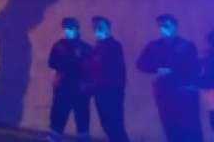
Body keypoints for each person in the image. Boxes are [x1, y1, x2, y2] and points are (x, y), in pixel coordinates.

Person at [137, 14, 203, 142]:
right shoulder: (154, 45)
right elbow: (140, 63)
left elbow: (194, 68)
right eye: (160, 26)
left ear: (175, 27)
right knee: (170, 127)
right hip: (164, 92)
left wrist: (176, 73)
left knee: (190, 128)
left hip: (184, 93)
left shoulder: (186, 45)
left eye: (166, 25)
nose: (163, 29)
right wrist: (157, 69)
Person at [47, 17, 92, 142]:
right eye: (66, 28)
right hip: (63, 87)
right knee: (57, 118)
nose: (67, 31)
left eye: (70, 28)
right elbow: (51, 62)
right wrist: (69, 60)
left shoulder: (85, 47)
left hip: (80, 89)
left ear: (77, 29)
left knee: (82, 120)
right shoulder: (59, 45)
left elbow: (91, 69)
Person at [86, 16, 129, 142]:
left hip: (111, 93)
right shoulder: (96, 47)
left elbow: (115, 71)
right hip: (100, 92)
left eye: (100, 27)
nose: (96, 30)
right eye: (94, 28)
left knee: (115, 126)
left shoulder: (114, 46)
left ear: (108, 29)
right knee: (107, 125)